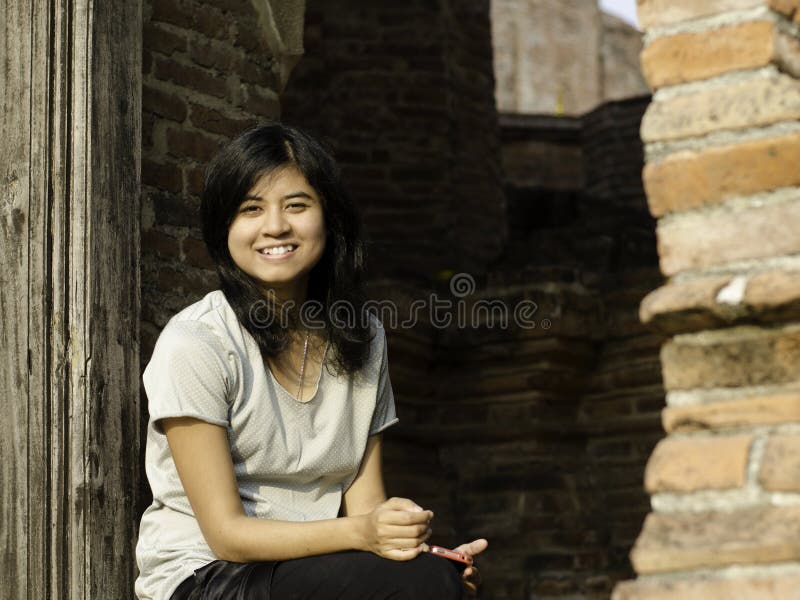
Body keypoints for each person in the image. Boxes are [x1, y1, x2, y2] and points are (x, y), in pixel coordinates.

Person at [135, 123, 487, 600]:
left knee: (439, 581)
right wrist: (367, 537)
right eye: (251, 209)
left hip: (313, 568)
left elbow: (367, 507)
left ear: (329, 218)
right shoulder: (197, 342)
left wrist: (417, 554)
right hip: (207, 575)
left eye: (296, 205)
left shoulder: (363, 338)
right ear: (226, 229)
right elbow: (226, 534)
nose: (275, 226)